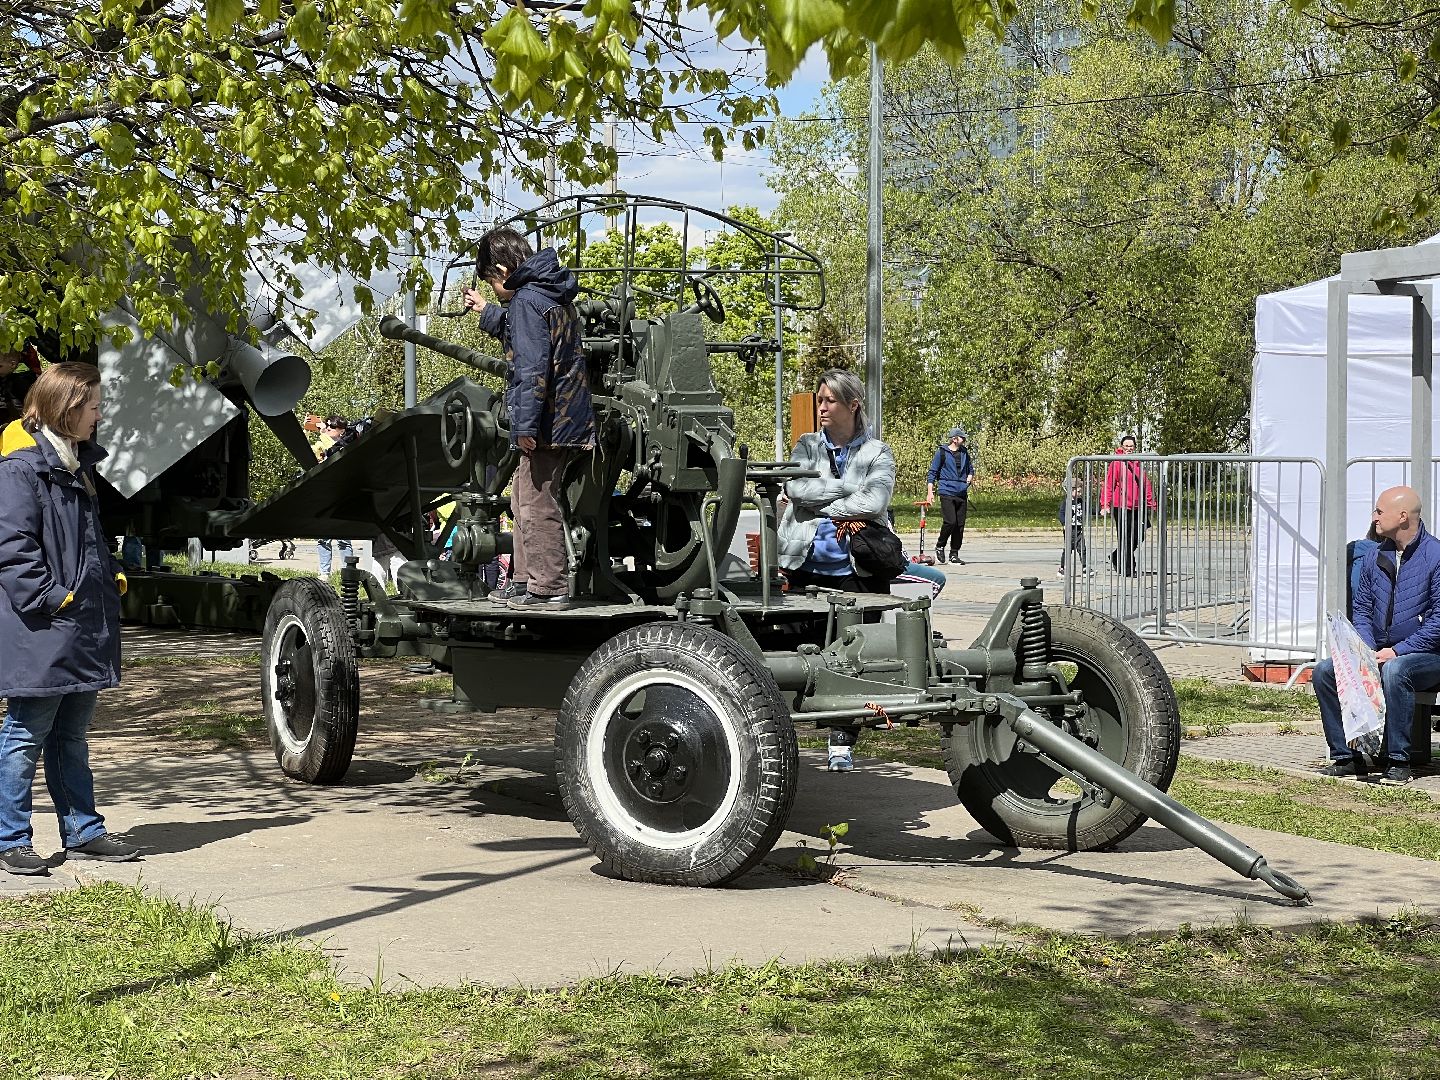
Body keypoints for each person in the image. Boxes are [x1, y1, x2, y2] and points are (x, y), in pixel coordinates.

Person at [0, 362, 139, 874]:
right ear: (67, 407)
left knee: (71, 737)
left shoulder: (74, 465)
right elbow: (13, 550)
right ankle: (10, 838)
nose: (99, 416)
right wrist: (54, 599)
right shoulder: (20, 470)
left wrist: (110, 574)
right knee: (24, 735)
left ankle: (82, 830)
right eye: (94, 406)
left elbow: (87, 541)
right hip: (44, 628)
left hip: (80, 625)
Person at [463, 225, 594, 610]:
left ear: (504, 271)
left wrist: (523, 427)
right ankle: (524, 581)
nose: (494, 289)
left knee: (537, 503)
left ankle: (548, 586)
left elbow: (531, 368)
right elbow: (523, 334)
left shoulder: (525, 301)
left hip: (548, 421)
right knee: (522, 499)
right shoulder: (547, 294)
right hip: (562, 416)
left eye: (492, 281)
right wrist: (487, 311)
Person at [777, 369, 897, 771]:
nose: (822, 407)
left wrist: (822, 502)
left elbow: (875, 502)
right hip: (803, 568)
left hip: (857, 572)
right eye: (820, 400)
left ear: (852, 404)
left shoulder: (877, 452)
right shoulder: (807, 445)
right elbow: (795, 488)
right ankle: (789, 736)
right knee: (800, 655)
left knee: (851, 661)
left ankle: (841, 742)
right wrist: (848, 492)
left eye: (830, 400)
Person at [1313, 486, 1440, 786]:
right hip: (1381, 651)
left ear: (1403, 516)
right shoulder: (1375, 556)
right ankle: (1346, 757)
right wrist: (1365, 650)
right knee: (1325, 672)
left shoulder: (1435, 556)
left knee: (1396, 671)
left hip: (1429, 656)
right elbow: (1362, 609)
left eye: (1380, 511)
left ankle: (1399, 761)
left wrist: (1397, 651)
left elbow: (1438, 623)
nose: (1374, 518)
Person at [1100, 435, 1155, 576]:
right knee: (1126, 538)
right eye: (1126, 446)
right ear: (1122, 447)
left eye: (1131, 446)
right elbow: (1109, 484)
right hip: (1121, 506)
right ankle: (1128, 568)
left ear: (1135, 447)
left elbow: (1145, 483)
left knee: (1139, 536)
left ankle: (1116, 556)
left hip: (1138, 506)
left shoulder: (1138, 462)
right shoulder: (1117, 462)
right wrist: (1105, 504)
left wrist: (1151, 502)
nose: (1129, 448)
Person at [925, 426, 976, 565]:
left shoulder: (964, 452)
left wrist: (970, 476)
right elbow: (932, 473)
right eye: (962, 437)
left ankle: (954, 554)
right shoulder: (942, 452)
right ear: (954, 439)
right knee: (950, 522)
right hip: (946, 490)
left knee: (960, 525)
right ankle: (940, 545)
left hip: (961, 492)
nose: (964, 440)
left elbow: (970, 469)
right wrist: (930, 492)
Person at [315, 415, 356, 576]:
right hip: (324, 493)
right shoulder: (322, 442)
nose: (327, 429)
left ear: (342, 430)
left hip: (341, 494)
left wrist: (323, 433)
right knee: (322, 538)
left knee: (343, 539)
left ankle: (348, 572)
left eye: (331, 427)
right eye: (327, 426)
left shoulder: (346, 444)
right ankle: (324, 573)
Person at [0, 345, 39, 429]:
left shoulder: (22, 381)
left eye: (0, 366)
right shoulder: (7, 375)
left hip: (24, 423)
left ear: (12, 364)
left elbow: (25, 406)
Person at [1058, 477, 1089, 578]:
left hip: (1079, 529)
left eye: (1081, 491)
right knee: (1068, 549)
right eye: (1078, 491)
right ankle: (1062, 569)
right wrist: (1064, 523)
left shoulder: (1080, 502)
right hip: (1069, 530)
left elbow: (1088, 509)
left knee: (1082, 549)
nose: (1080, 494)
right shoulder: (1066, 503)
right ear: (1071, 490)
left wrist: (1099, 511)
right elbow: (1061, 514)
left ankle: (1085, 568)